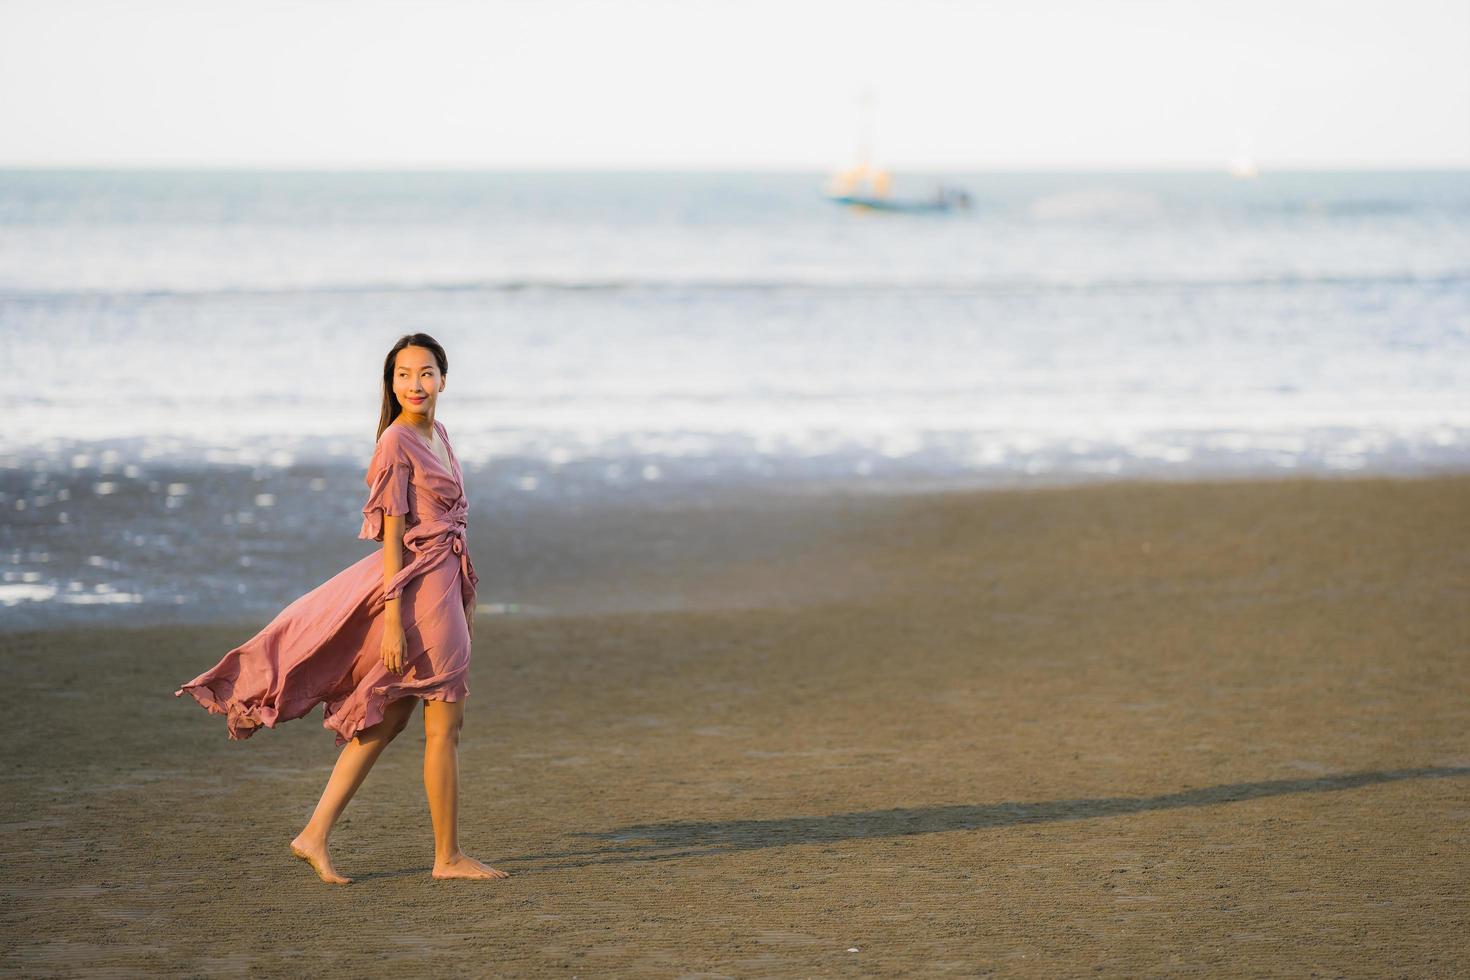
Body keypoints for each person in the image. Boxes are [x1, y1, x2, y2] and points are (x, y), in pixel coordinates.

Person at [173, 333, 507, 884]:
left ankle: (314, 834)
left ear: (444, 379)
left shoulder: (440, 434)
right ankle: (447, 858)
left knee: (393, 715)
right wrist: (395, 618)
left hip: (444, 581)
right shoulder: (396, 442)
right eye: (403, 375)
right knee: (444, 719)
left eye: (425, 373)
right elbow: (393, 536)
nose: (415, 384)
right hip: (418, 589)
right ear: (389, 382)